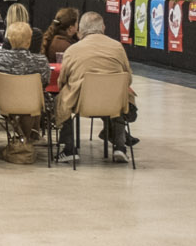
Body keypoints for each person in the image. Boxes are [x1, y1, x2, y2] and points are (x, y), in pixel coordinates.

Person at [53, 11, 135, 163]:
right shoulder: (117, 47)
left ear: (80, 31)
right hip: (114, 103)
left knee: (61, 98)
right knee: (119, 95)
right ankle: (120, 146)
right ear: (103, 27)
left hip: (82, 103)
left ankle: (69, 148)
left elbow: (62, 81)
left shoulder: (72, 50)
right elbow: (128, 78)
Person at [0, 21, 49, 164]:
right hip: (32, 103)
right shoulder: (41, 61)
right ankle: (27, 138)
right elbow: (45, 82)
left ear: (9, 39)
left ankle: (21, 139)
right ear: (30, 40)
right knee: (30, 104)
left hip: (5, 102)